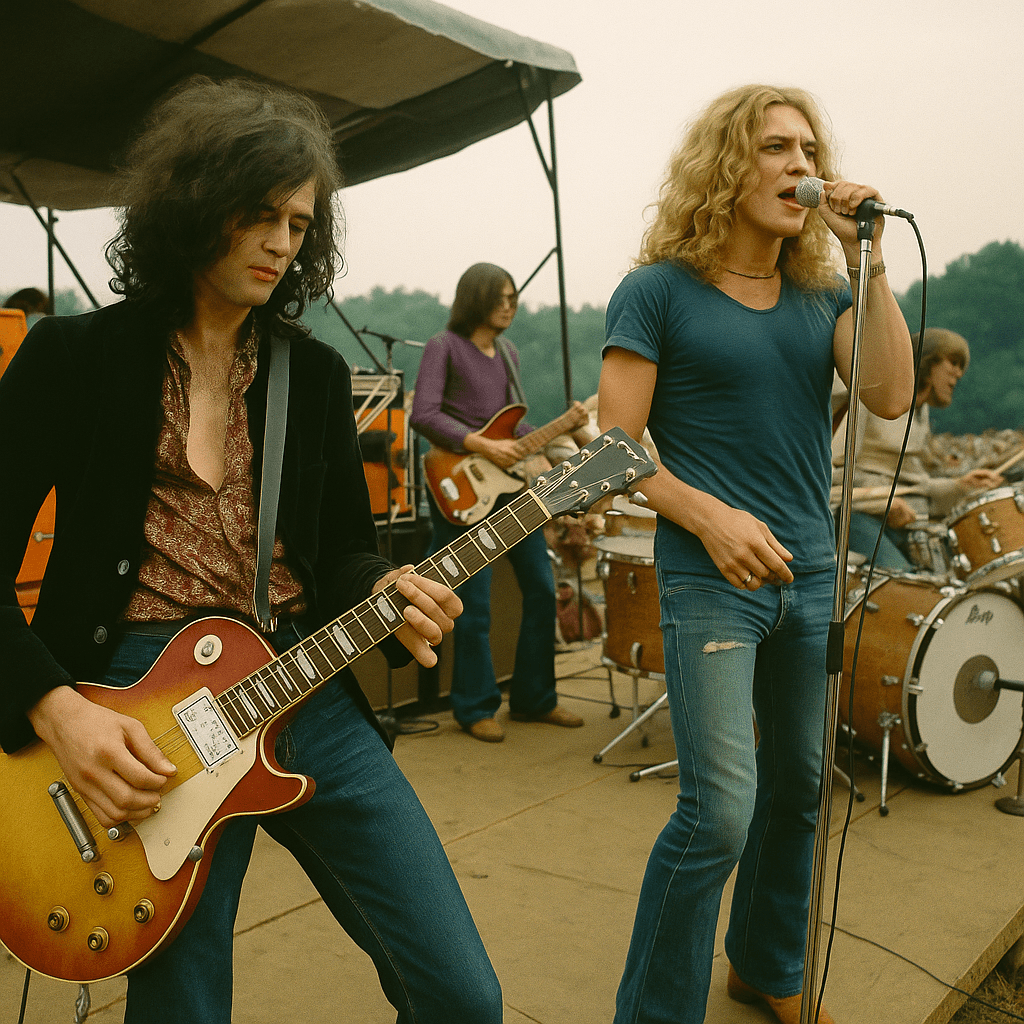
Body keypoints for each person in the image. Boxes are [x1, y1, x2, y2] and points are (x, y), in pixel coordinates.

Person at [0, 77, 502, 1024]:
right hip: (136, 712)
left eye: (300, 225)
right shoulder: (73, 360)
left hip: (296, 676)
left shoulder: (310, 375)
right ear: (194, 206)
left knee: (464, 995)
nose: (282, 242)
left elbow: (344, 552)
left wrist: (387, 585)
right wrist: (56, 710)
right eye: (259, 214)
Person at [597, 84, 914, 1024]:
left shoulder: (824, 293)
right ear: (727, 165)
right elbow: (614, 453)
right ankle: (656, 1010)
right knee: (721, 810)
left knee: (802, 787)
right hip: (712, 580)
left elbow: (891, 394)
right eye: (777, 148)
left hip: (810, 575)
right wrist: (713, 520)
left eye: (810, 152)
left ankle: (767, 964)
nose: (802, 168)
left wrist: (875, 262)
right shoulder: (657, 291)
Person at [410, 262, 586, 742]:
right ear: (477, 298)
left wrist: (560, 427)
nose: (511, 304)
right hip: (459, 485)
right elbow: (422, 414)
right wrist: (482, 445)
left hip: (508, 487)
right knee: (475, 601)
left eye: (513, 297)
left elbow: (511, 427)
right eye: (502, 296)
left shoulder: (508, 353)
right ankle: (474, 707)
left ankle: (534, 699)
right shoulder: (443, 347)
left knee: (542, 588)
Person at [833, 328, 1002, 571]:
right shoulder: (872, 397)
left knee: (951, 579)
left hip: (905, 522)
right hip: (858, 518)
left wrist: (961, 485)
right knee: (908, 584)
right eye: (953, 363)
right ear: (927, 361)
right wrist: (883, 501)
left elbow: (914, 484)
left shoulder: (921, 415)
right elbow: (835, 472)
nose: (959, 374)